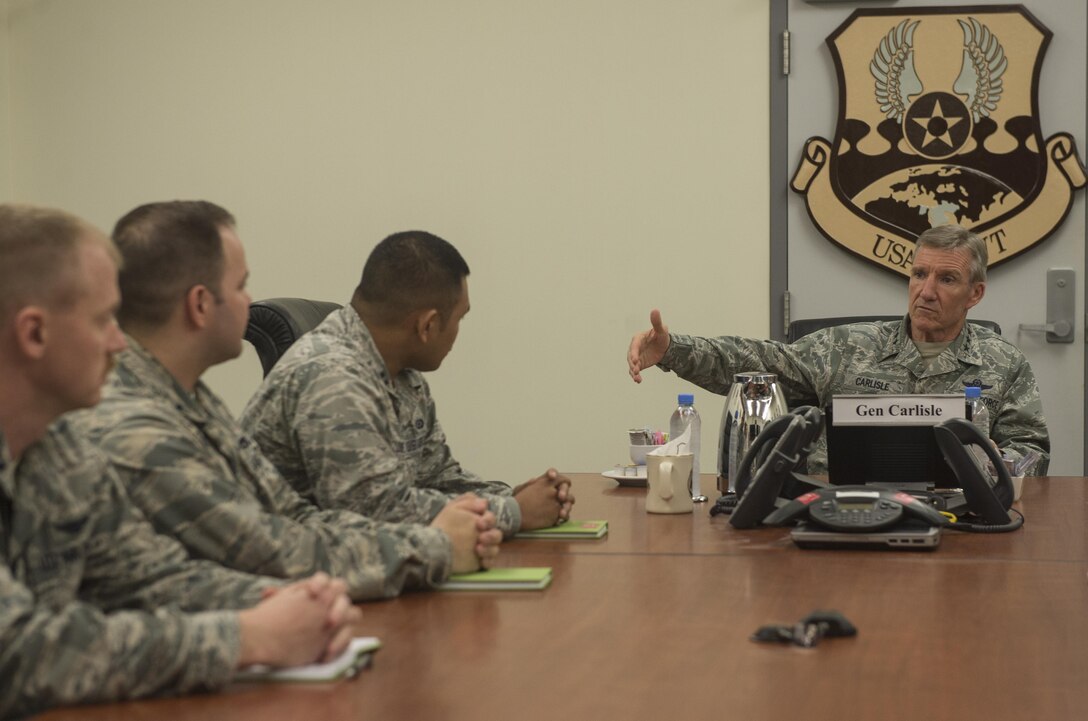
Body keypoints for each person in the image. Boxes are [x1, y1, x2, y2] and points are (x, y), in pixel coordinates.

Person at [0, 204, 359, 719]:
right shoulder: (107, 427)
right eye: (103, 320)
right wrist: (245, 638)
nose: (120, 342)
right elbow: (17, 653)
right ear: (34, 333)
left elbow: (152, 578)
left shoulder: (59, 447)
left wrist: (293, 604)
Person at [71, 202, 501, 603]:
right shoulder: (135, 426)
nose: (250, 302)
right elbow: (272, 554)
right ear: (200, 305)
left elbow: (293, 516)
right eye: (240, 286)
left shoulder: (191, 399)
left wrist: (440, 537)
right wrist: (436, 546)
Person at [627, 224, 1050, 475]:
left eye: (946, 280)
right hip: (844, 514)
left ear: (975, 294)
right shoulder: (848, 348)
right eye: (919, 274)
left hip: (961, 520)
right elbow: (756, 360)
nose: (926, 291)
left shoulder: (1003, 364)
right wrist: (672, 349)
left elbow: (1031, 452)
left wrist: (998, 461)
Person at [240, 231, 574, 535]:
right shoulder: (333, 377)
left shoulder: (401, 374)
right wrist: (512, 513)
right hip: (282, 579)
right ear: (427, 326)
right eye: (460, 318)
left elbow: (437, 478)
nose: (459, 332)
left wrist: (511, 496)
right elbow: (374, 511)